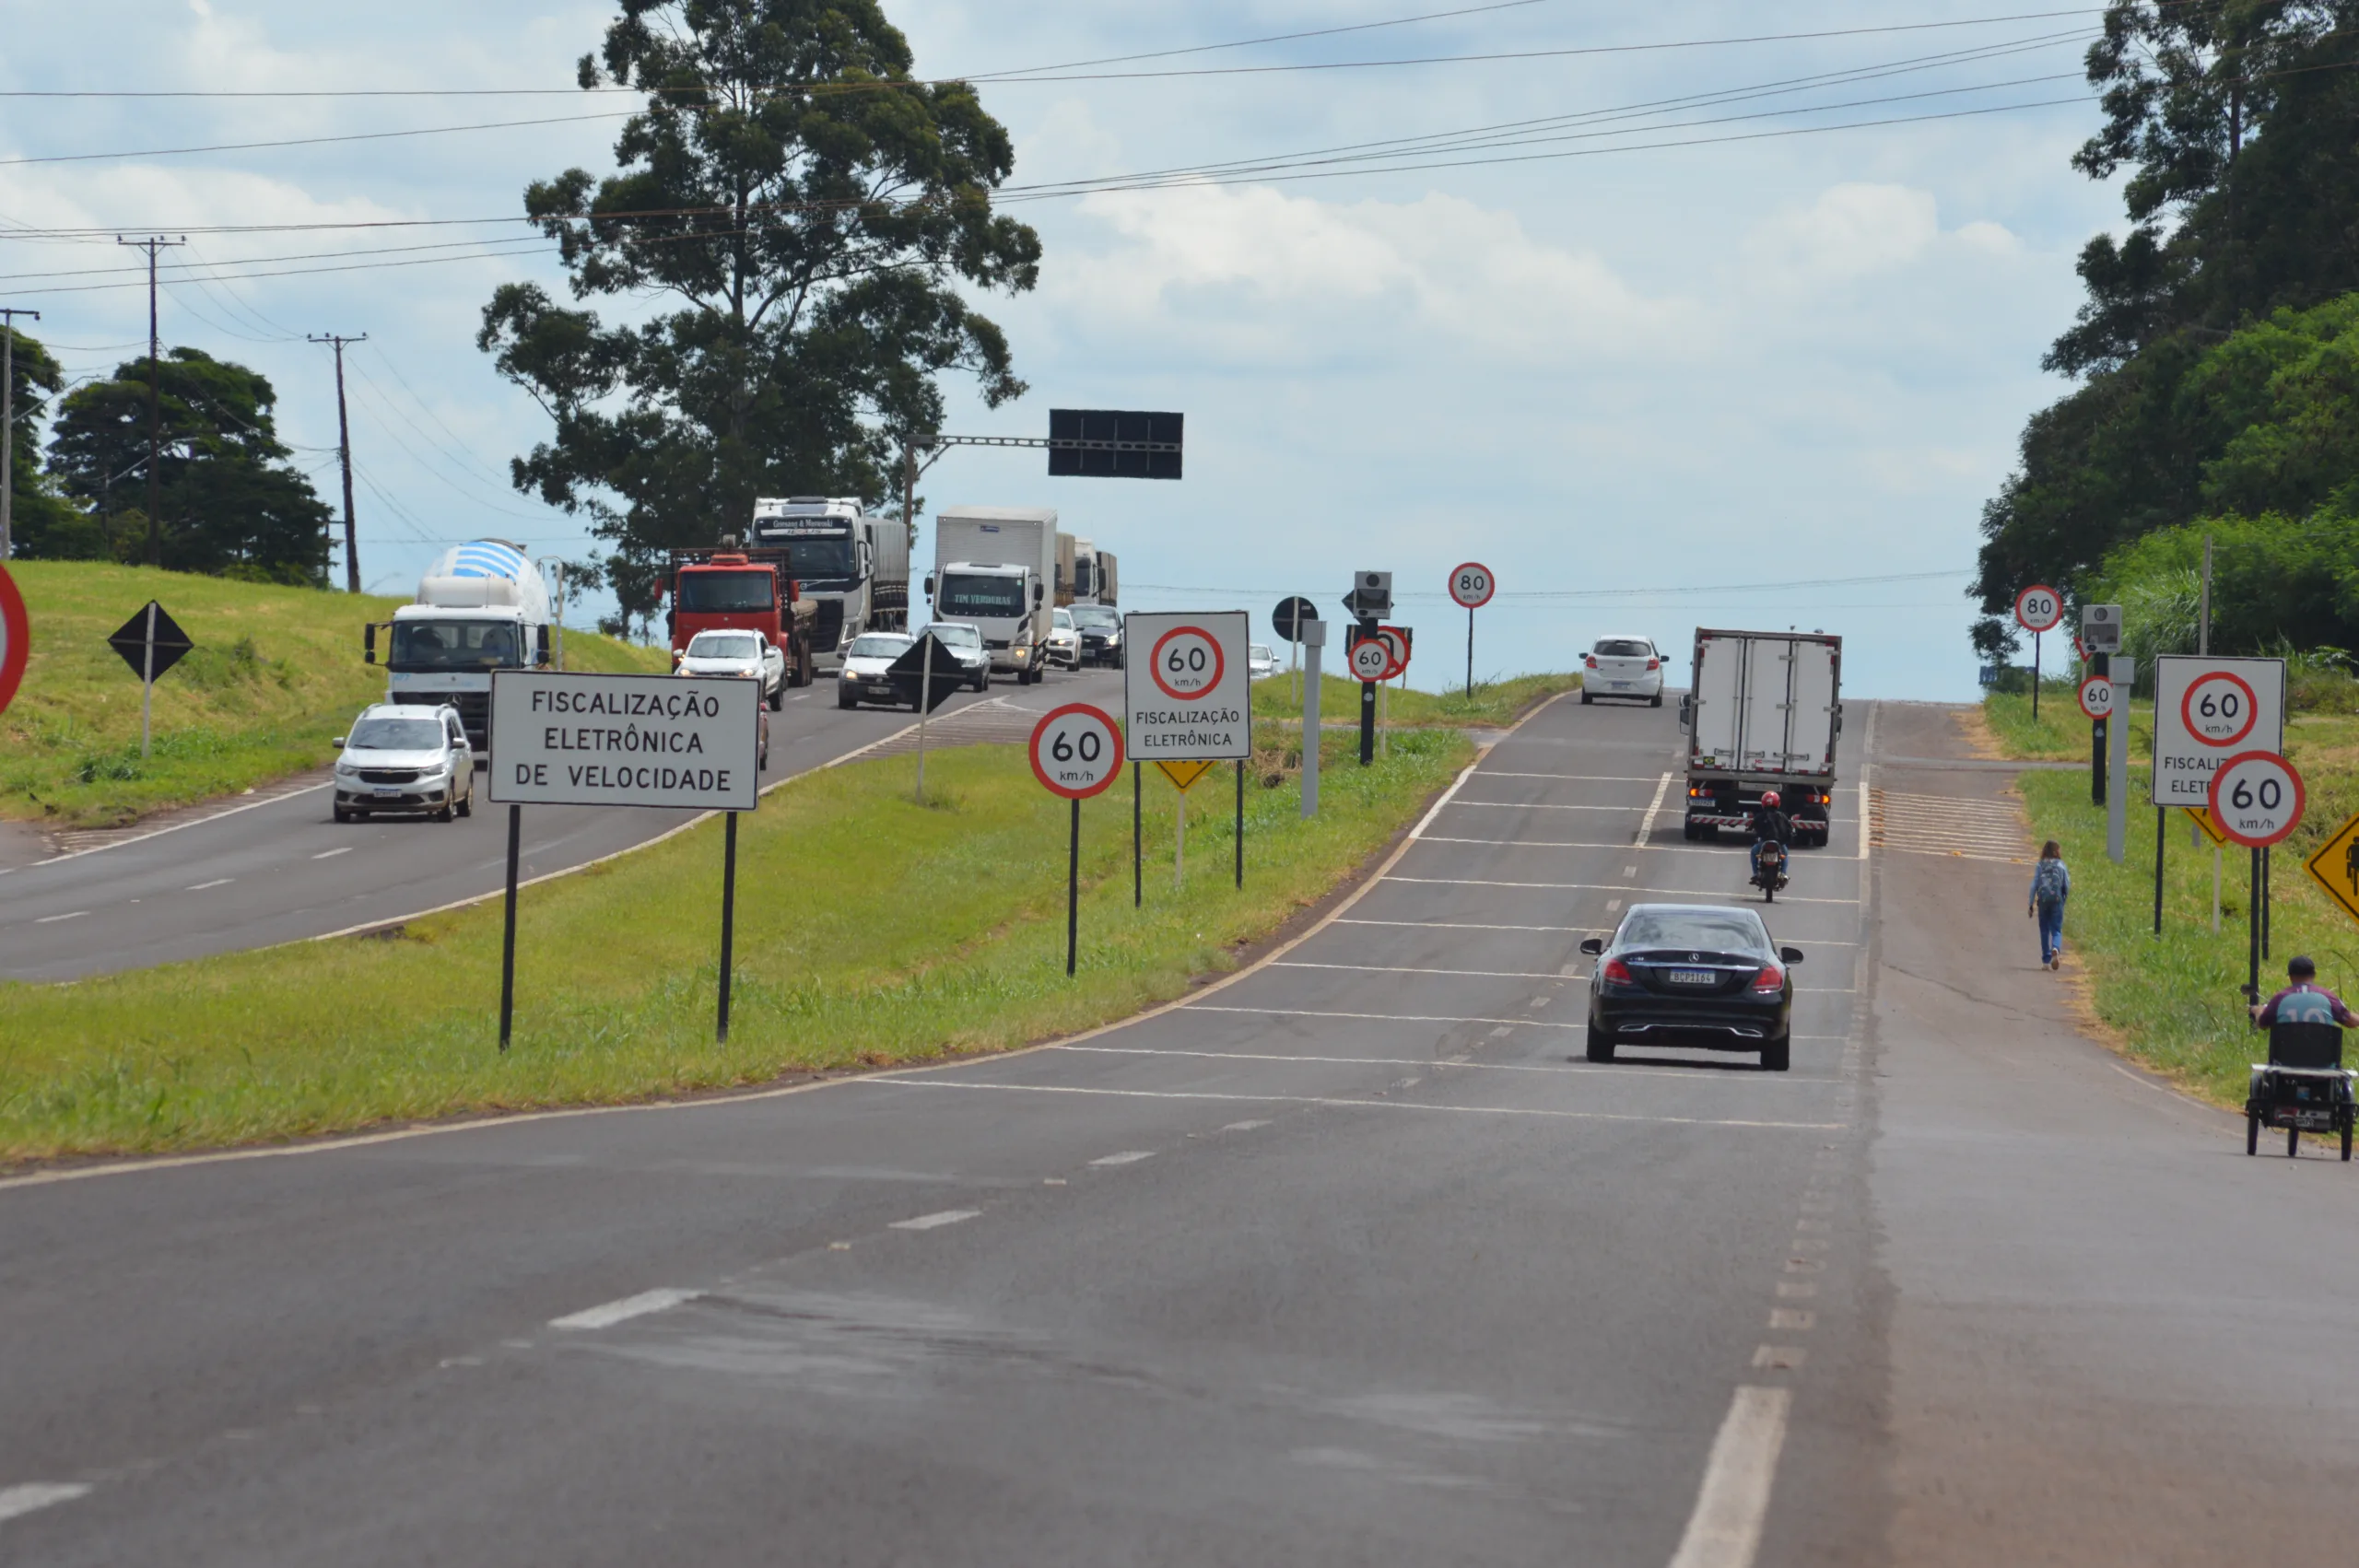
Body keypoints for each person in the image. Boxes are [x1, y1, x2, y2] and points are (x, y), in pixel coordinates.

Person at [2251, 954, 2359, 1028]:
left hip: (2286, 1059)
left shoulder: (2280, 998)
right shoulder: (2328, 997)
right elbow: (2352, 1022)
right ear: (2314, 975)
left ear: (2291, 976)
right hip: (2323, 1059)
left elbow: (2263, 1024)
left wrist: (2258, 1010)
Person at [2029, 840, 2070, 969]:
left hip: (2043, 901)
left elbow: (2034, 885)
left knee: (2044, 930)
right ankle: (2055, 949)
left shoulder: (2040, 865)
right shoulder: (2061, 865)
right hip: (2057, 900)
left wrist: (2031, 903)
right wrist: (2064, 899)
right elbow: (2066, 884)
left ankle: (2046, 961)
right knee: (2056, 929)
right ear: (2057, 851)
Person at [1750, 790, 1793, 883]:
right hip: (1779, 843)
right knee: (1784, 855)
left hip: (1764, 842)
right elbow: (1789, 829)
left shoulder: (1760, 816)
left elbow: (1753, 826)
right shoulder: (1782, 816)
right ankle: (1783, 873)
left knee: (1754, 852)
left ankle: (1755, 873)